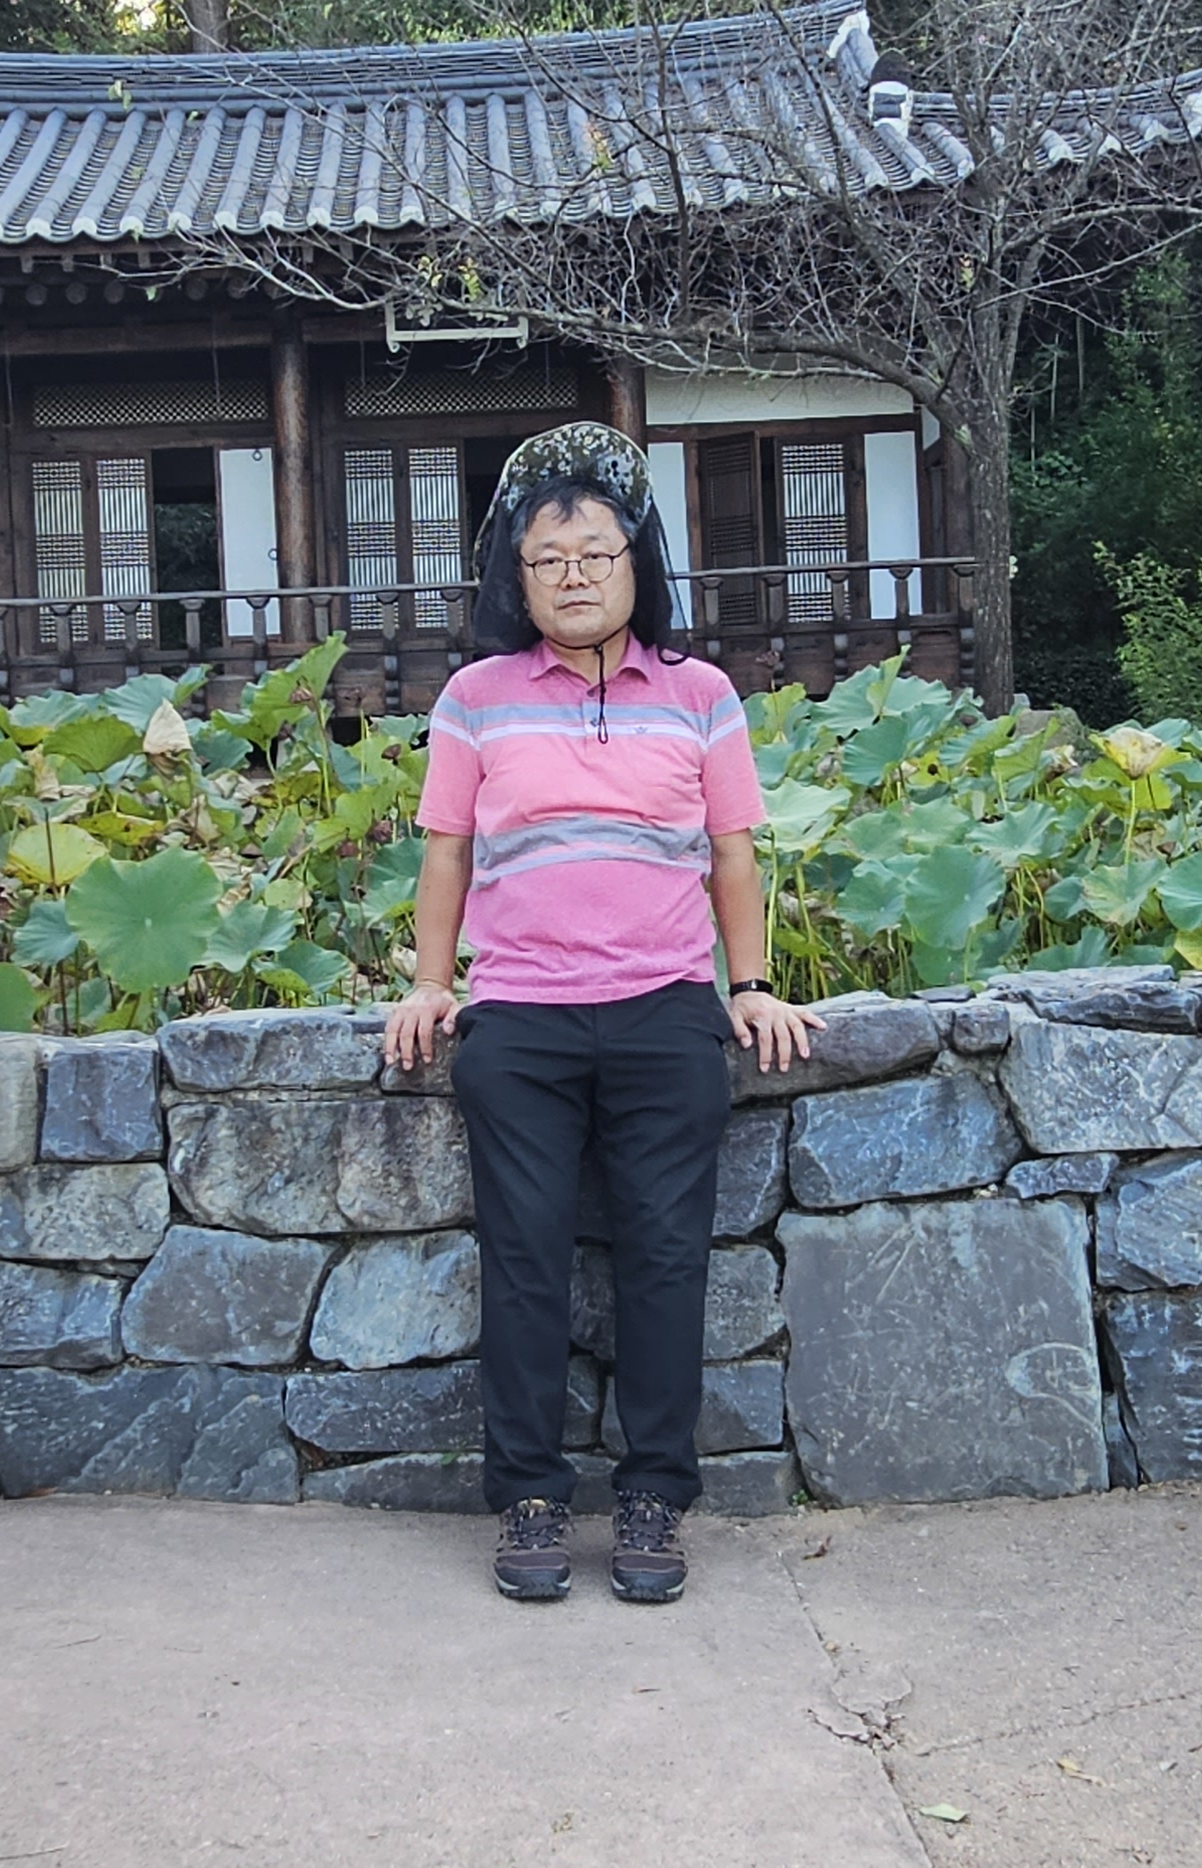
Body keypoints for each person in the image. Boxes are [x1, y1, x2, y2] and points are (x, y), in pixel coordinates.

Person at [382, 422, 822, 1606]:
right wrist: (432, 980)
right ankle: (528, 1493)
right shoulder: (475, 699)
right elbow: (446, 853)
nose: (572, 575)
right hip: (520, 1019)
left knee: (665, 1262)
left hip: (666, 1013)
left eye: (594, 553)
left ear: (638, 562)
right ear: (514, 579)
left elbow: (732, 854)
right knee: (523, 1261)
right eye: (547, 559)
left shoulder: (700, 694)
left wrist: (751, 984)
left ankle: (652, 1495)